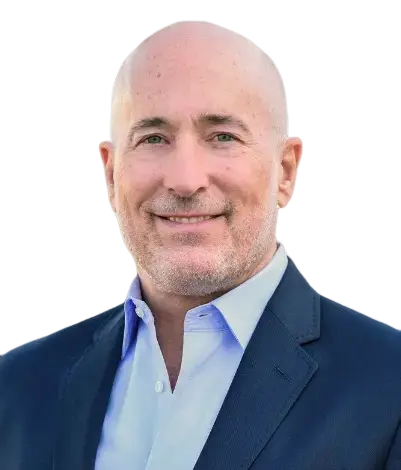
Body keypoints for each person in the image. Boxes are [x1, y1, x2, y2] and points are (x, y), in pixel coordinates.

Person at [1, 20, 400, 470]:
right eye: (153, 138)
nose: (185, 179)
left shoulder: (389, 388)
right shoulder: (18, 389)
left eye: (223, 137)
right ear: (111, 175)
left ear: (286, 172)